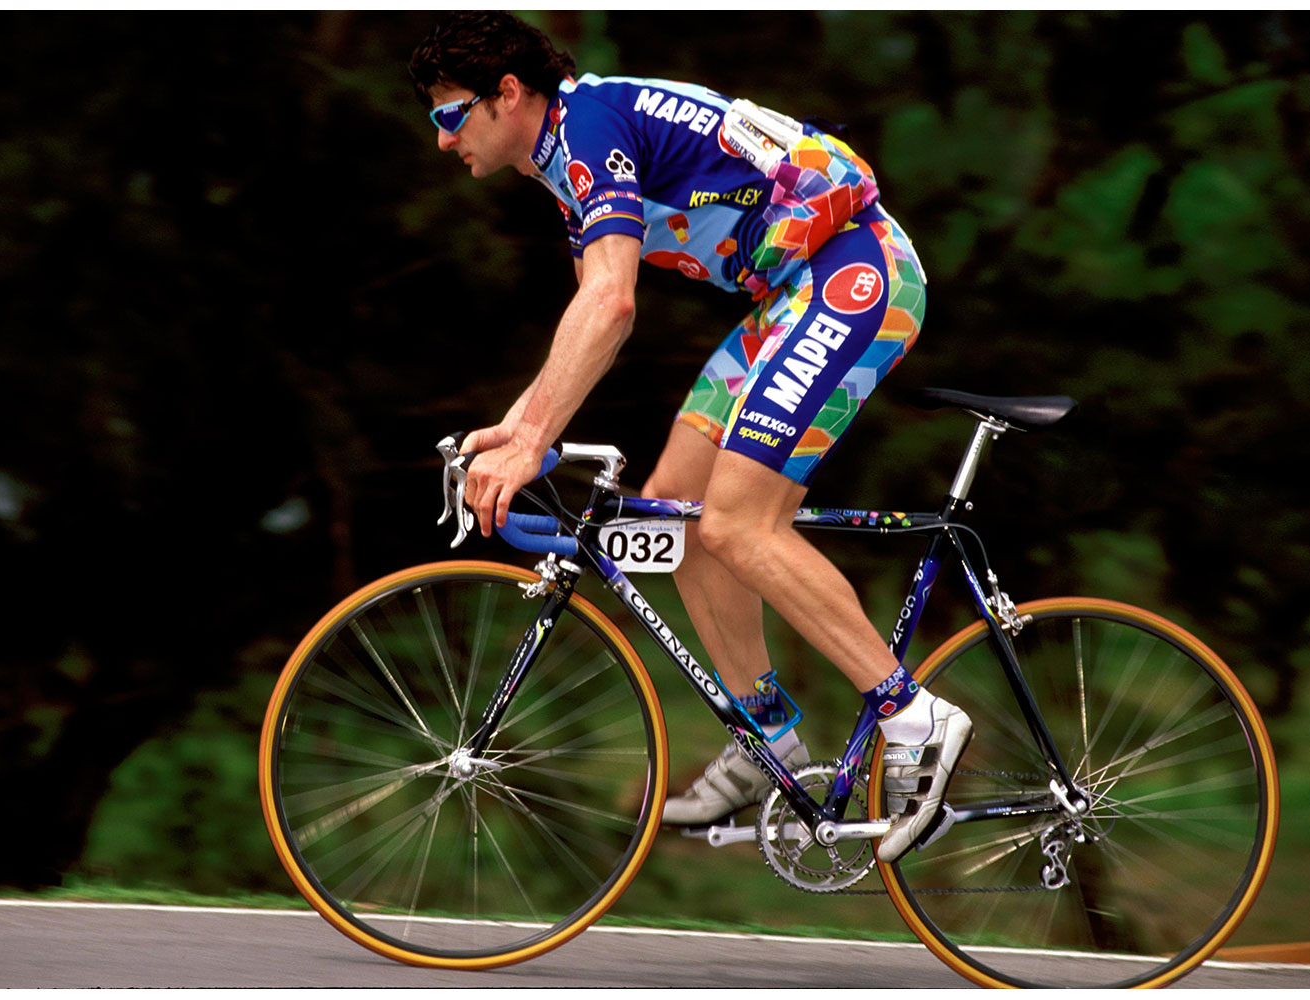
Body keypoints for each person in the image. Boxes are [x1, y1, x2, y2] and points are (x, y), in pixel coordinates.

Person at [409, 11, 970, 862]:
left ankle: (913, 715)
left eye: (450, 116)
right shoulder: (567, 159)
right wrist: (522, 426)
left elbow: (612, 303)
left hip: (854, 274)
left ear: (508, 94)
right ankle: (770, 736)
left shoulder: (590, 129)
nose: (444, 143)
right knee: (679, 525)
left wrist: (529, 442)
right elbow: (592, 321)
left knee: (739, 523)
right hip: (794, 295)